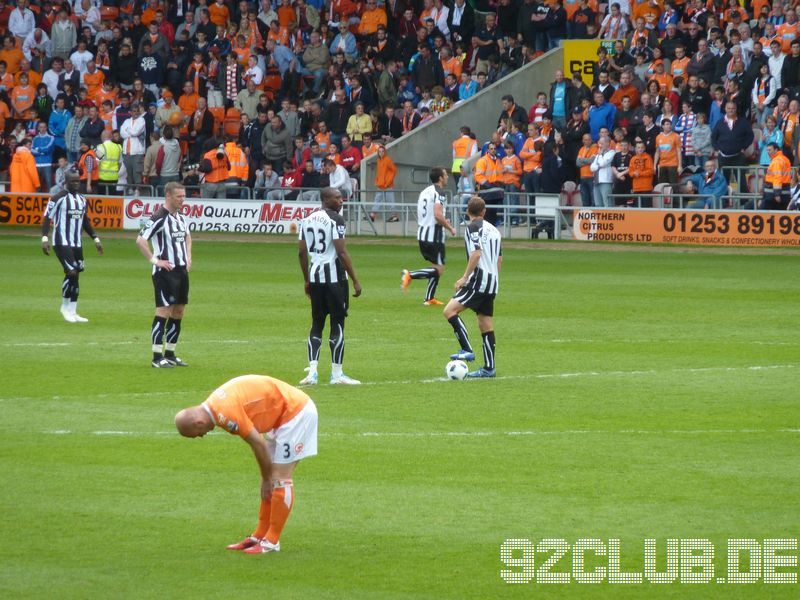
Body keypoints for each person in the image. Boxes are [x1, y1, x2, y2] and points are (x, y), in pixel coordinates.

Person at [174, 374, 318, 554]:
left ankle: (271, 542)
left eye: (197, 434)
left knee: (280, 478)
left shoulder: (225, 414)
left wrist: (265, 478)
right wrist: (266, 477)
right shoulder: (215, 404)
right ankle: (259, 536)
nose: (201, 436)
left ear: (198, 422)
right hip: (283, 414)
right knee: (271, 479)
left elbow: (259, 443)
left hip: (296, 412)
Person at [297, 187, 362, 386]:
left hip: (316, 278)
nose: (341, 201)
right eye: (337, 198)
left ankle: (313, 372)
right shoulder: (336, 220)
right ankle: (337, 374)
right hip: (334, 280)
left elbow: (301, 253)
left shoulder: (306, 219)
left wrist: (307, 280)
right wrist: (355, 279)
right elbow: (341, 253)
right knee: (337, 323)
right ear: (326, 200)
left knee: (317, 324)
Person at [442, 196, 501, 378]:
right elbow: (499, 259)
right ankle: (489, 368)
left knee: (449, 311)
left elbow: (476, 254)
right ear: (484, 212)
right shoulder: (495, 231)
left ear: (468, 211)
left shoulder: (473, 227)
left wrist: (464, 278)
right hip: (492, 282)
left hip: (478, 280)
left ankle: (466, 349)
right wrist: (494, 278)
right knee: (485, 324)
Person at [135, 182, 192, 368]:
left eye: (183, 196)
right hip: (164, 272)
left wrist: (188, 257)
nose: (182, 200)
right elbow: (140, 240)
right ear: (168, 196)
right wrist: (155, 260)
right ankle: (156, 357)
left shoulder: (181, 217)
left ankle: (170, 353)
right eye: (179, 196)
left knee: (179, 311)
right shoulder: (159, 217)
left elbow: (187, 236)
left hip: (181, 271)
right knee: (164, 311)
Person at [41, 171, 104, 322]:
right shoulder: (57, 198)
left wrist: (96, 239)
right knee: (71, 272)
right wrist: (44, 238)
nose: (76, 184)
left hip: (77, 243)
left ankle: (73, 311)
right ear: (66, 182)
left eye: (78, 181)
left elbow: (85, 221)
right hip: (61, 241)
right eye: (73, 182)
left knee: (77, 274)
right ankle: (64, 307)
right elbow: (47, 218)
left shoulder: (82, 199)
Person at [401, 166, 457, 306]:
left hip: (422, 233)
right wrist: (450, 227)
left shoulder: (425, 191)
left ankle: (429, 298)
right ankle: (410, 275)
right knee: (439, 269)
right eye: (445, 174)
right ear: (440, 178)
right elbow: (438, 214)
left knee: (434, 266)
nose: (447, 177)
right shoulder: (440, 193)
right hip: (434, 235)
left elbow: (428, 213)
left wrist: (442, 219)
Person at [762, 142, 791, 210]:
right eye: (767, 150)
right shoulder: (784, 159)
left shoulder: (776, 161)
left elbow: (777, 178)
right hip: (784, 192)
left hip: (773, 195)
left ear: (776, 150)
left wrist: (777, 194)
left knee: (768, 216)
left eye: (770, 150)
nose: (768, 152)